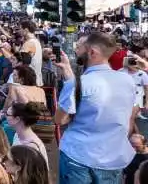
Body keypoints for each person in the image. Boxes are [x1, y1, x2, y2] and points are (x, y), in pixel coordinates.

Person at [55, 32, 135, 181]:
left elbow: (59, 119)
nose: (76, 51)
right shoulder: (128, 81)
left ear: (92, 52)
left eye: (79, 48)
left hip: (78, 156)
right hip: (113, 157)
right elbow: (129, 116)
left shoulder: (77, 83)